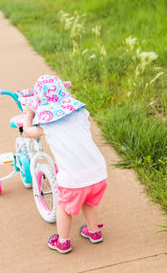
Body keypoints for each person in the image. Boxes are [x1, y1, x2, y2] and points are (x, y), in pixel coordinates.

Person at [23, 75, 108, 254]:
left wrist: (28, 113)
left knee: (64, 207)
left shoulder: (48, 125)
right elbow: (84, 122)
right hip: (98, 172)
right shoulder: (81, 113)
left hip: (73, 178)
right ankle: (94, 232)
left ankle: (63, 242)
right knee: (88, 202)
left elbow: (29, 132)